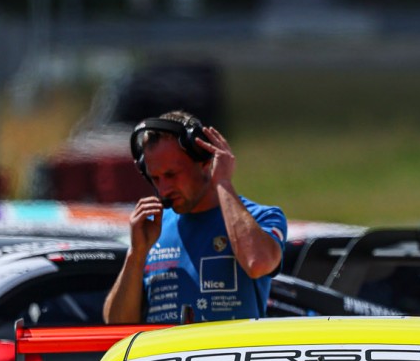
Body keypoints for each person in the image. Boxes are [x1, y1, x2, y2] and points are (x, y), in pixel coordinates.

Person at [104, 111, 286, 325]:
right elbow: (116, 324)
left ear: (205, 161)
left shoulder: (260, 217)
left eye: (171, 175)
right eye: (155, 178)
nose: (163, 189)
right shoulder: (152, 229)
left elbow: (258, 263)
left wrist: (223, 183)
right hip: (166, 358)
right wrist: (136, 254)